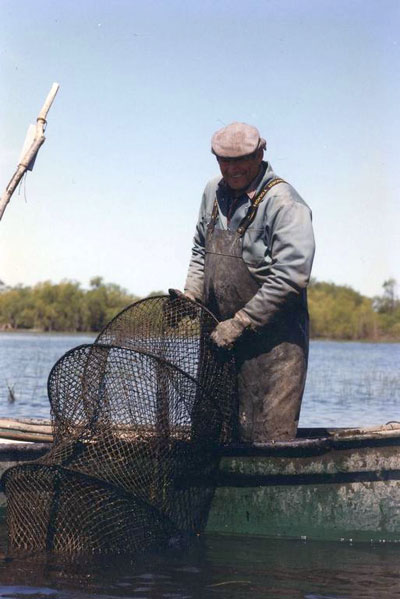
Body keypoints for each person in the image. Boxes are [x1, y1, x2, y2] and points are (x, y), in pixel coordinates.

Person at [183, 122, 315, 442]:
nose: (233, 169)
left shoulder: (285, 202)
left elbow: (291, 276)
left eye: (241, 160)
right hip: (219, 343)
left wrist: (242, 321)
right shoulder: (213, 191)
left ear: (260, 154)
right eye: (224, 161)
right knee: (210, 437)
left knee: (266, 443)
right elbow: (201, 250)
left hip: (273, 351)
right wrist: (191, 294)